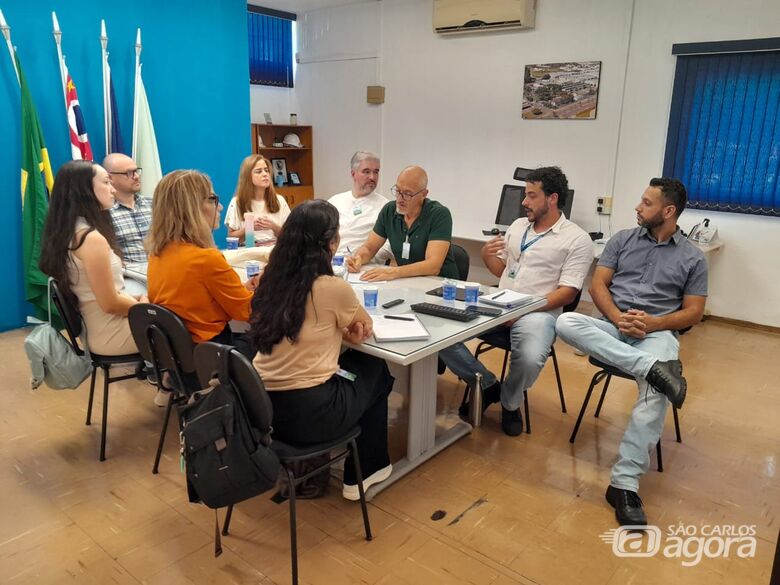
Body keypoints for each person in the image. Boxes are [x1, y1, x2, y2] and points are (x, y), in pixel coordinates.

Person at [556, 177, 707, 527]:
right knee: (564, 324)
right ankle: (653, 368)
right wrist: (618, 319)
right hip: (613, 325)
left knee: (655, 392)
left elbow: (694, 312)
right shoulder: (622, 240)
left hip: (655, 332)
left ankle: (623, 484)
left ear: (668, 211)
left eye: (646, 203)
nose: (638, 207)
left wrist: (652, 323)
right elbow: (598, 285)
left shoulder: (693, 258)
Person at [249, 199, 394, 500]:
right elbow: (363, 329)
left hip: (261, 410)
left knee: (353, 373)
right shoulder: (331, 287)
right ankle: (364, 472)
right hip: (310, 416)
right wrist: (345, 331)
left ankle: (350, 467)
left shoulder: (268, 278)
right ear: (331, 243)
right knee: (374, 370)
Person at [439, 167, 593, 436]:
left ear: (552, 198)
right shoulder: (518, 227)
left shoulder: (577, 239)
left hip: (539, 312)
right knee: (439, 335)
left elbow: (567, 292)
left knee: (531, 358)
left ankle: (510, 402)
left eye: (531, 196)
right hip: (500, 303)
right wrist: (488, 257)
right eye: (525, 195)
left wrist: (524, 308)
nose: (523, 202)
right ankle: (487, 385)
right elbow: (504, 271)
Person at [147, 170, 259, 398]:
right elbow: (248, 311)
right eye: (213, 199)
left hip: (180, 358)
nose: (219, 206)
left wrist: (239, 290)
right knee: (274, 336)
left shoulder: (158, 253)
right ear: (192, 207)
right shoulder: (205, 259)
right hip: (211, 359)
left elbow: (194, 301)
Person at [40, 160, 144, 356]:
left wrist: (140, 300)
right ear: (84, 191)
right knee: (191, 321)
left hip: (99, 328)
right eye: (106, 183)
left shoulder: (71, 232)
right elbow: (110, 304)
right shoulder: (91, 240)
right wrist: (144, 306)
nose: (112, 190)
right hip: (112, 333)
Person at [346, 165, 458, 281]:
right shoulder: (389, 210)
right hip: (407, 281)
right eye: (398, 191)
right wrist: (358, 258)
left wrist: (393, 272)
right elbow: (369, 248)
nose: (400, 198)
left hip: (441, 286)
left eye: (407, 194)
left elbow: (433, 266)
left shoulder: (439, 214)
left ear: (424, 194)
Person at [327, 151, 392, 263]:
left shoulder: (386, 207)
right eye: (366, 172)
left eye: (376, 172)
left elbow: (390, 244)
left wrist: (363, 258)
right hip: (333, 262)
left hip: (367, 266)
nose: (372, 177)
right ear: (353, 174)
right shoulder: (335, 201)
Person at [224, 154, 291, 244]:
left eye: (266, 170)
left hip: (275, 250)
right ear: (248, 177)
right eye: (259, 171)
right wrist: (249, 228)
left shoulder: (279, 200)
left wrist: (273, 226)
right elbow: (231, 239)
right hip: (249, 251)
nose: (265, 174)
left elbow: (290, 236)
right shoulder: (237, 202)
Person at [105, 153, 152, 263]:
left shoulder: (156, 204)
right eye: (129, 173)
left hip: (161, 272)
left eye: (136, 171)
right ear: (110, 177)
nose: (136, 176)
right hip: (128, 276)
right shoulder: (104, 213)